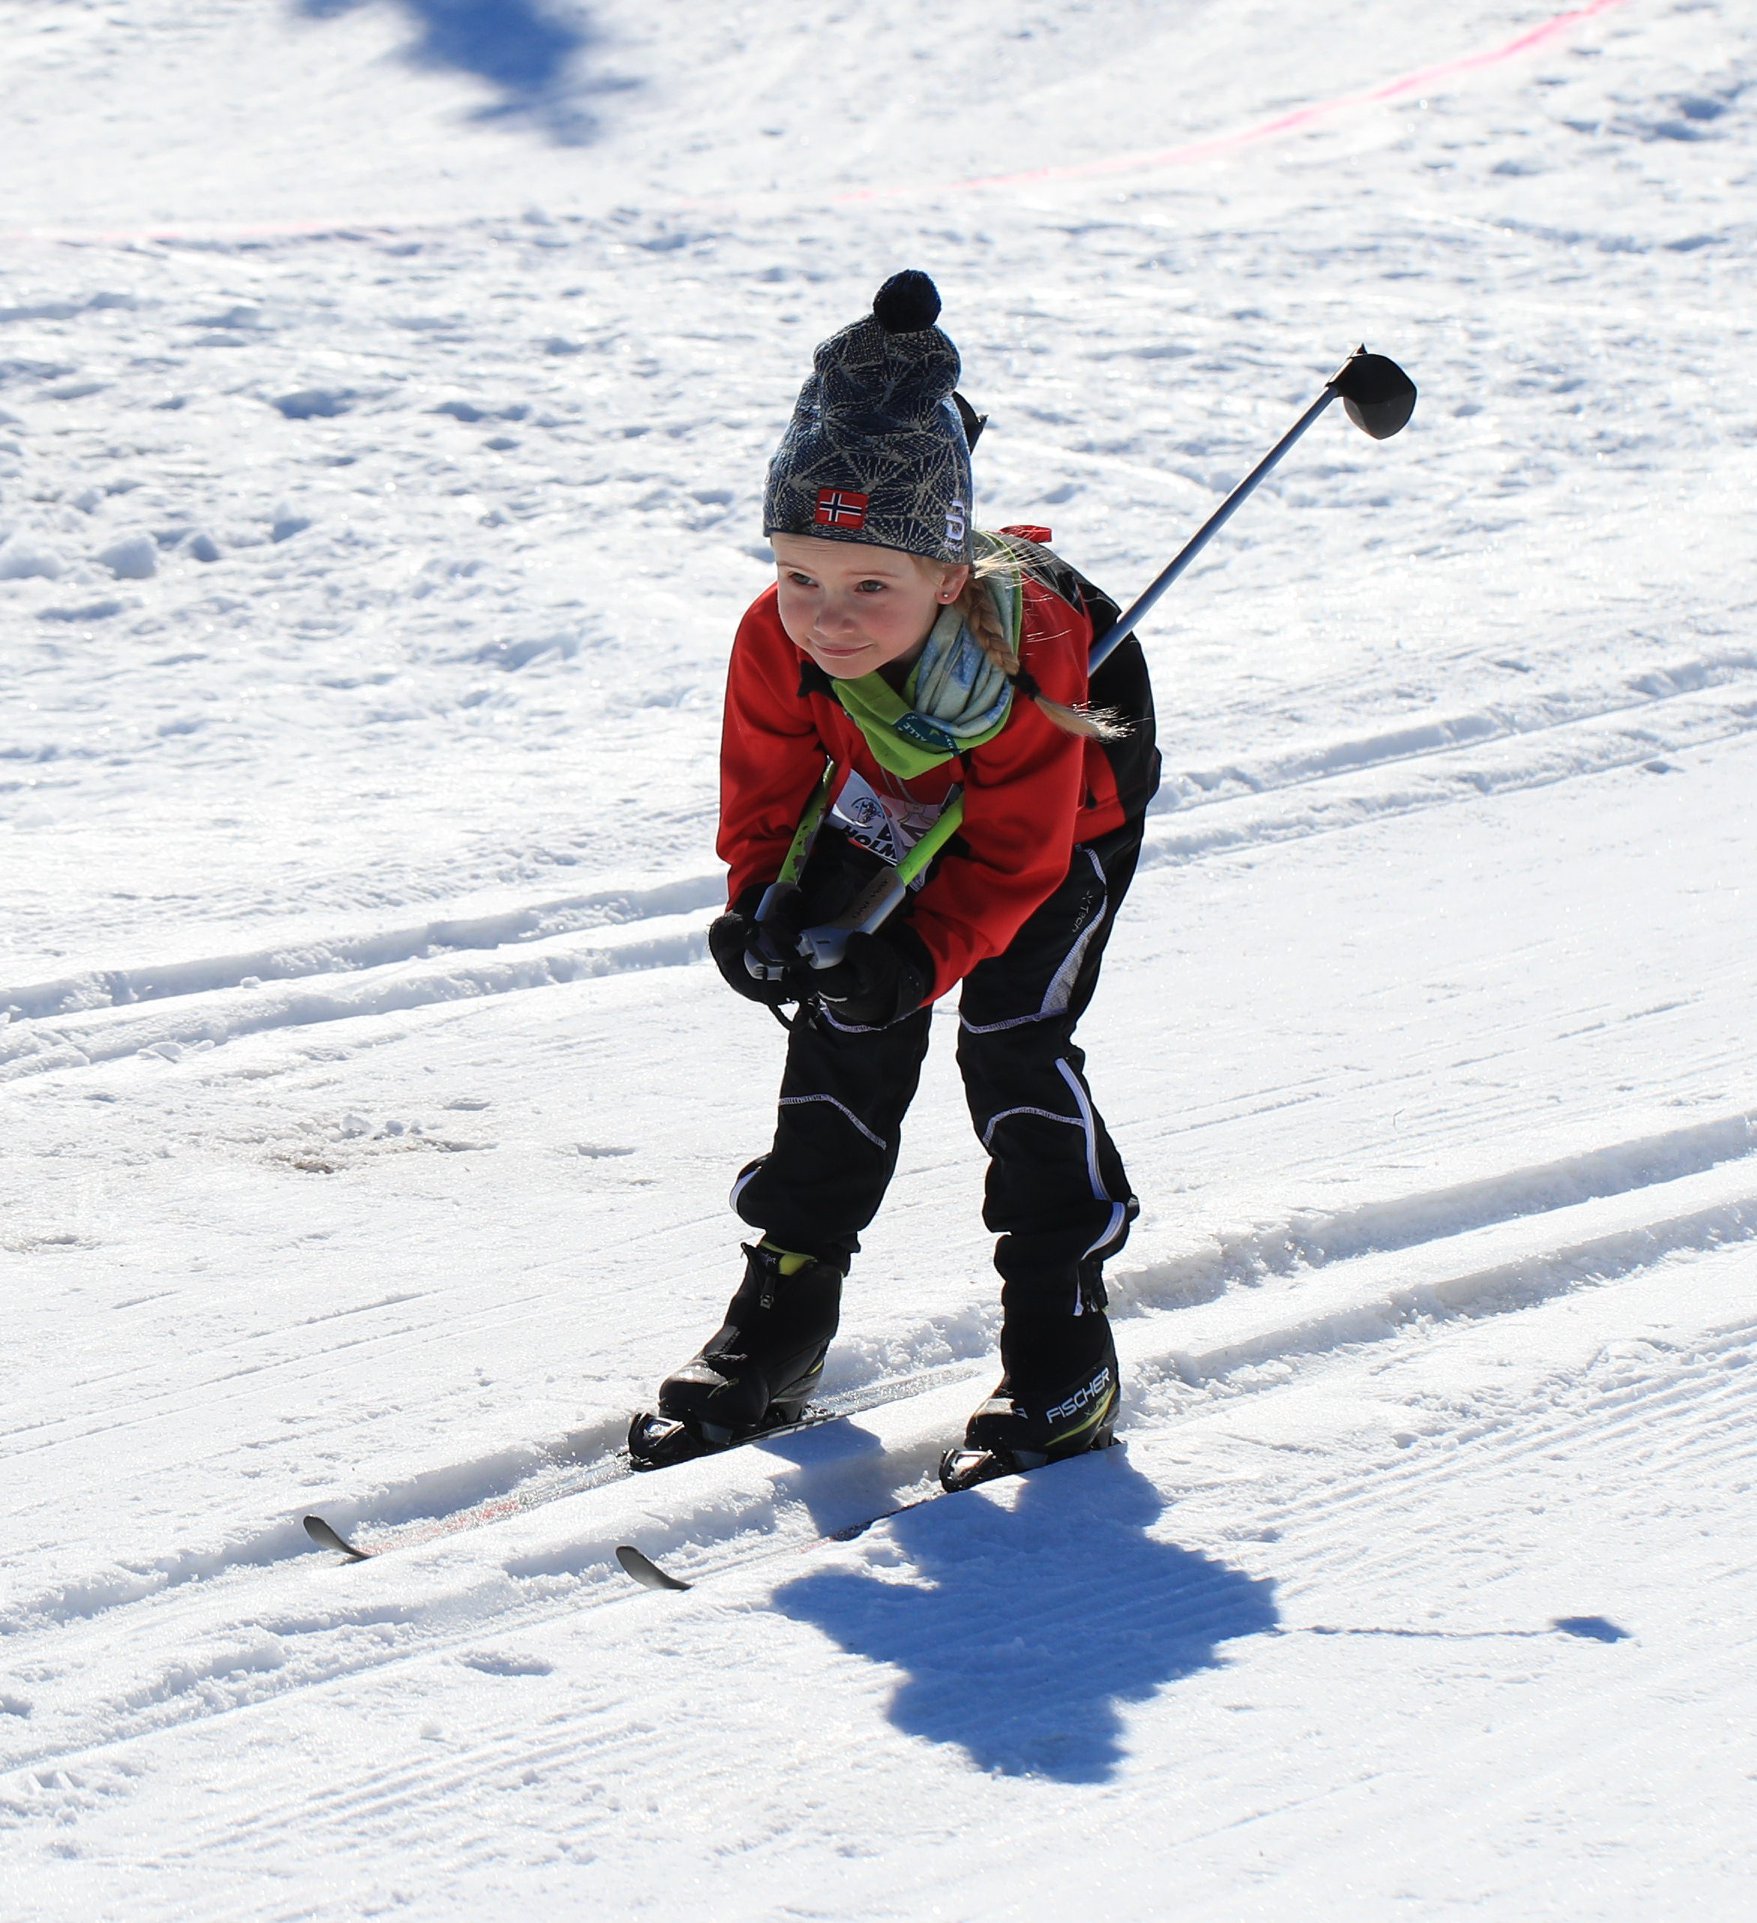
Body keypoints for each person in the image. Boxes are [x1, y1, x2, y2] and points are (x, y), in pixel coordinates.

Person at [637, 270, 1160, 1488]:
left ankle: (1059, 1342)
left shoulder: (1028, 653)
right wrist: (760, 903)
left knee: (1011, 1042)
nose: (828, 617)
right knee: (839, 1016)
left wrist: (918, 956)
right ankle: (785, 1307)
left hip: (1062, 818)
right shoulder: (775, 637)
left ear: (946, 576)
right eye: (799, 576)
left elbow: (1014, 855)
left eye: (870, 584)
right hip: (893, 797)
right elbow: (768, 787)